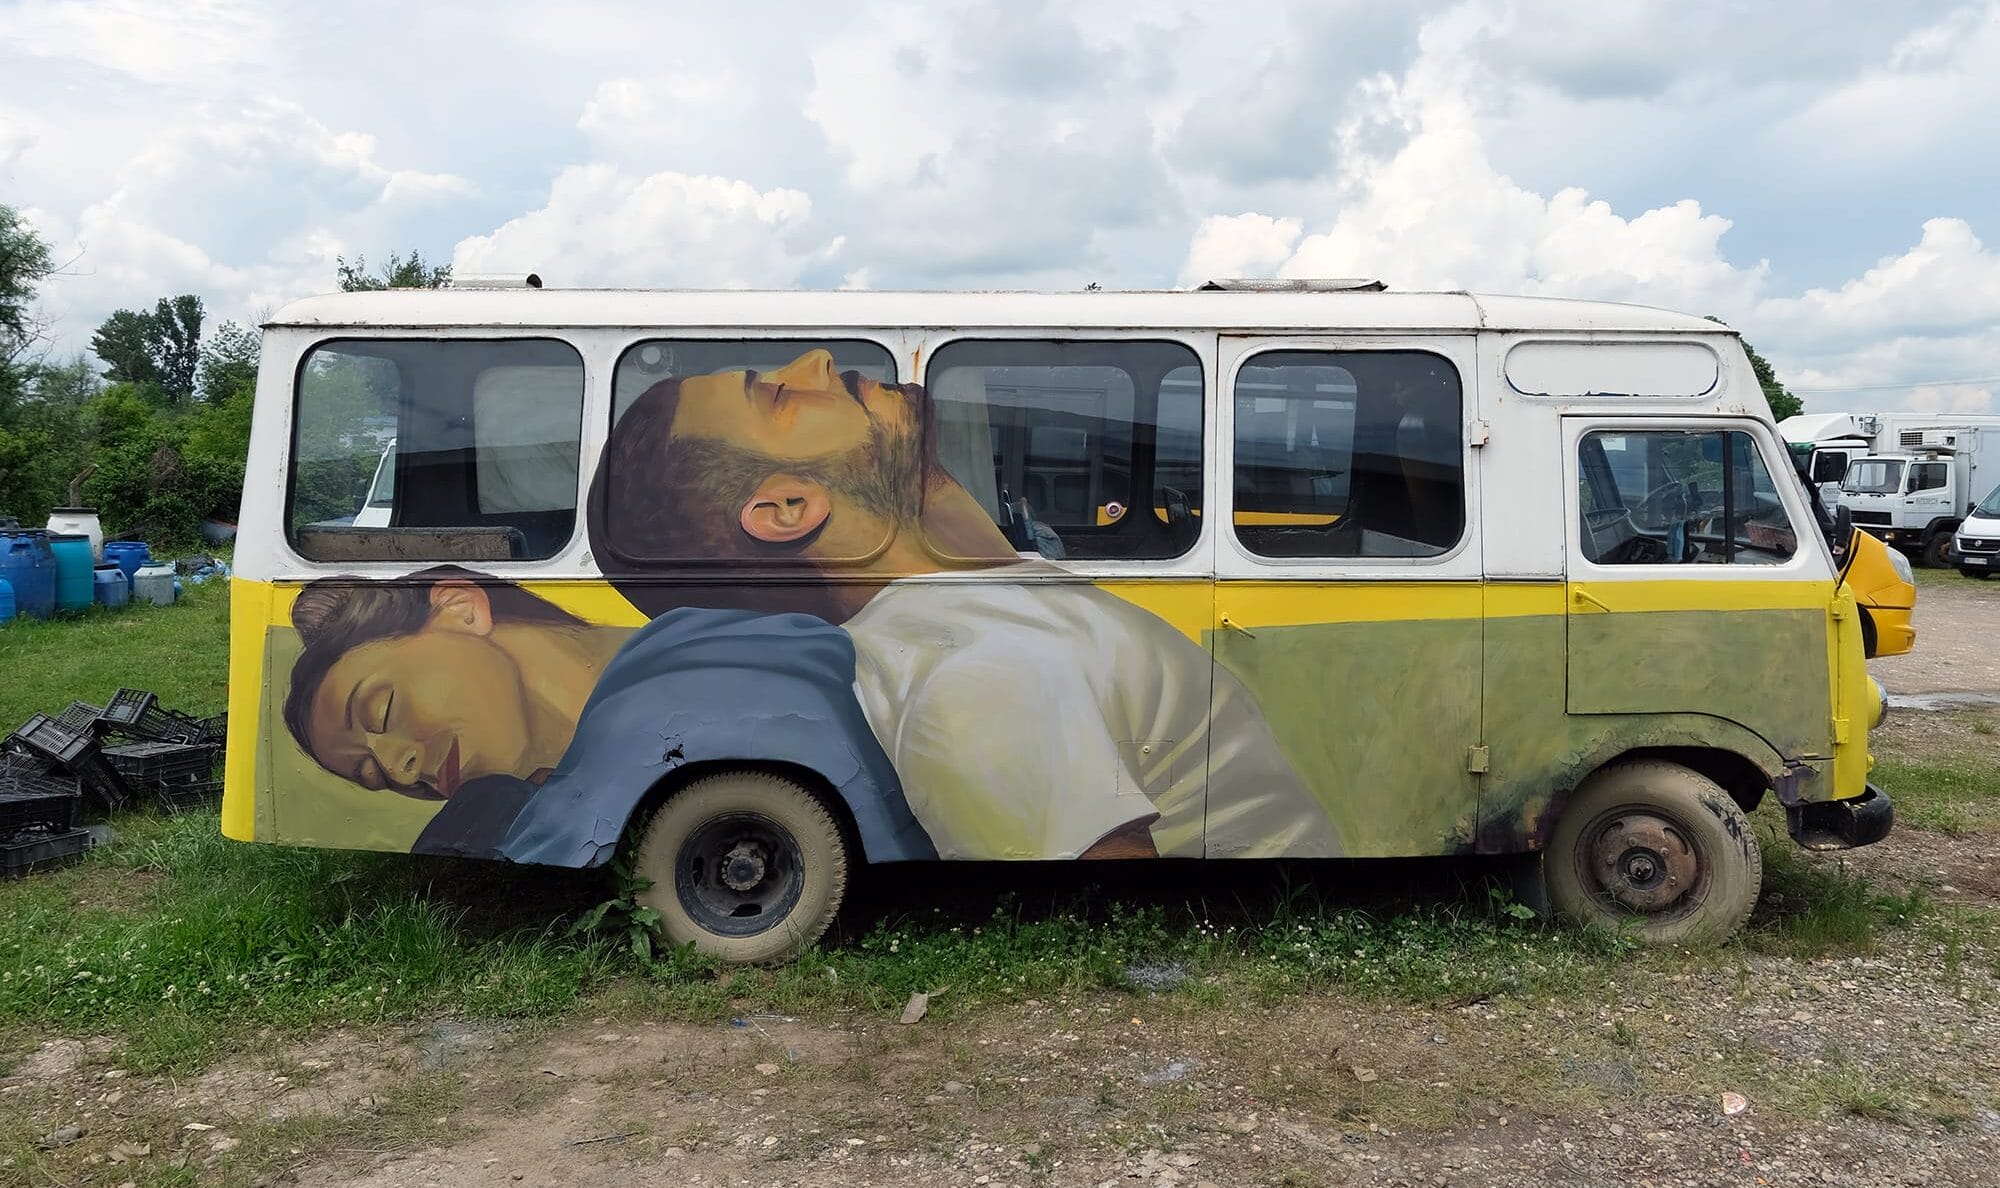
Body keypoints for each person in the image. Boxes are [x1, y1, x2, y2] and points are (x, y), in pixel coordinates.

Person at [593, 349, 1341, 861]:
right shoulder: (979, 681)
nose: (818, 363)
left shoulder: (985, 594)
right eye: (781, 395)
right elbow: (1106, 894)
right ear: (789, 508)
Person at [282, 566, 935, 864]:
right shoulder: (537, 799)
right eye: (373, 776)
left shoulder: (703, 662)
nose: (401, 766)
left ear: (460, 608)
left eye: (383, 708)